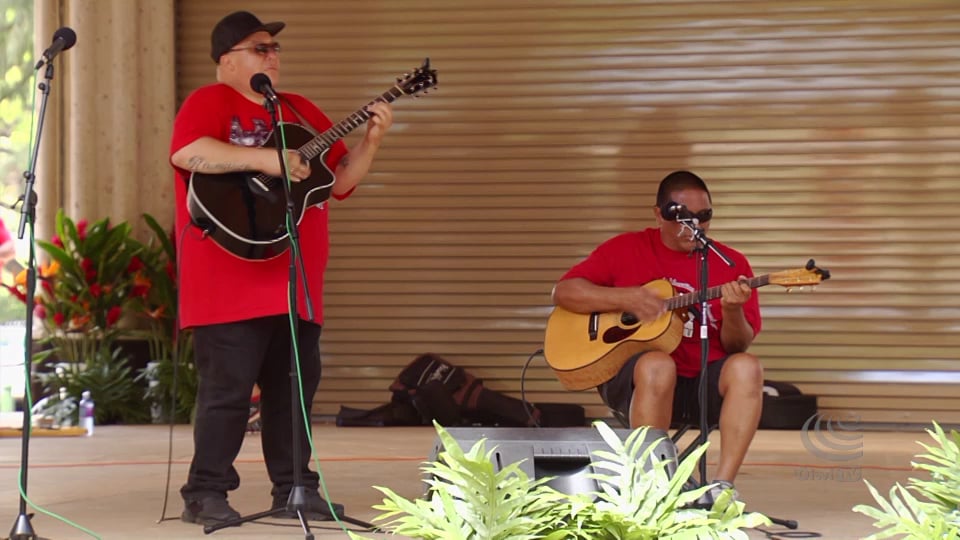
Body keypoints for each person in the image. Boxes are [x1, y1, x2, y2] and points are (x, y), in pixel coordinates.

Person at [169, 11, 393, 526]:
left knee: (294, 392)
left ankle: (295, 488)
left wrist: (372, 142)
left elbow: (337, 181)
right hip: (228, 278)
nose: (273, 55)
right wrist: (266, 161)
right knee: (226, 394)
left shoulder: (299, 110)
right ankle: (204, 492)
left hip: (295, 283)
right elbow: (188, 153)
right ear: (227, 61)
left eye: (274, 48)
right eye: (259, 47)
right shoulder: (209, 102)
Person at [551, 170, 763, 506]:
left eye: (704, 216)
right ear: (658, 213)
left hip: (700, 385)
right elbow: (565, 292)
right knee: (656, 363)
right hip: (636, 382)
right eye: (681, 215)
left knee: (747, 367)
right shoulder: (625, 249)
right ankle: (649, 488)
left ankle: (721, 487)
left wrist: (733, 310)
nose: (694, 225)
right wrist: (625, 299)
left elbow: (737, 346)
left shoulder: (731, 264)